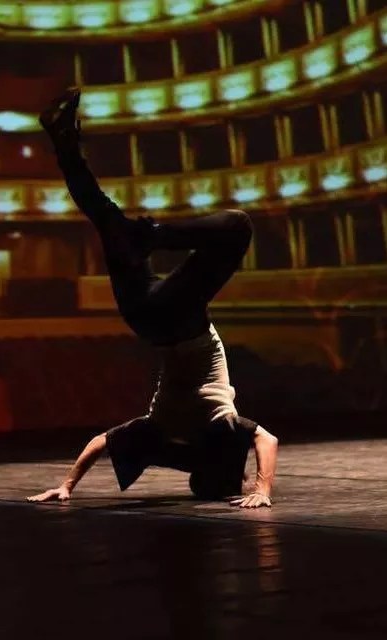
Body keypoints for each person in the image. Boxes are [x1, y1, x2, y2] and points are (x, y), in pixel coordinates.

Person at [27, 88, 278, 509]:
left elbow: (267, 440)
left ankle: (155, 235)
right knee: (106, 217)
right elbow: (100, 440)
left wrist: (261, 489)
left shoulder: (221, 426)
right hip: (145, 321)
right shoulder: (165, 435)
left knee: (238, 226)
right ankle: (62, 141)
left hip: (180, 321)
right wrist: (67, 485)